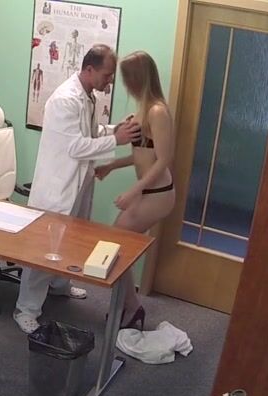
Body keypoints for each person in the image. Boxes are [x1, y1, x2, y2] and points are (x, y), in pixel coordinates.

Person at [14, 44, 140, 334]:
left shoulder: (88, 96)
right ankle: (25, 310)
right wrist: (117, 140)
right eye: (107, 75)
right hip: (58, 187)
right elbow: (75, 146)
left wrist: (114, 129)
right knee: (43, 249)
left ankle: (60, 285)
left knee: (70, 240)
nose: (110, 81)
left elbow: (90, 133)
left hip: (79, 183)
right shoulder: (65, 100)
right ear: (89, 69)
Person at [94, 50, 175, 330]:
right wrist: (112, 165)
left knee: (115, 244)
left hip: (158, 194)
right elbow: (142, 155)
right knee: (117, 246)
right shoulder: (143, 109)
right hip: (147, 191)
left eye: (126, 78)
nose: (123, 84)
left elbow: (163, 159)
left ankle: (132, 307)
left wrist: (133, 191)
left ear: (137, 79)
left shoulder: (157, 111)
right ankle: (130, 306)